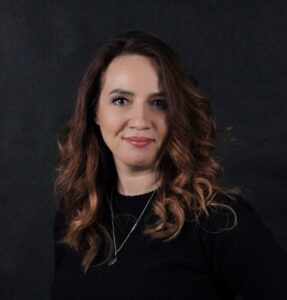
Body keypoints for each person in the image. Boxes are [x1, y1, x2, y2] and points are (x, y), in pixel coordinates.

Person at [50, 30, 287, 300]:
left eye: (159, 103)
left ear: (177, 115)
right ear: (95, 112)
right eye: (121, 101)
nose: (140, 120)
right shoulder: (77, 217)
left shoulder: (217, 219)